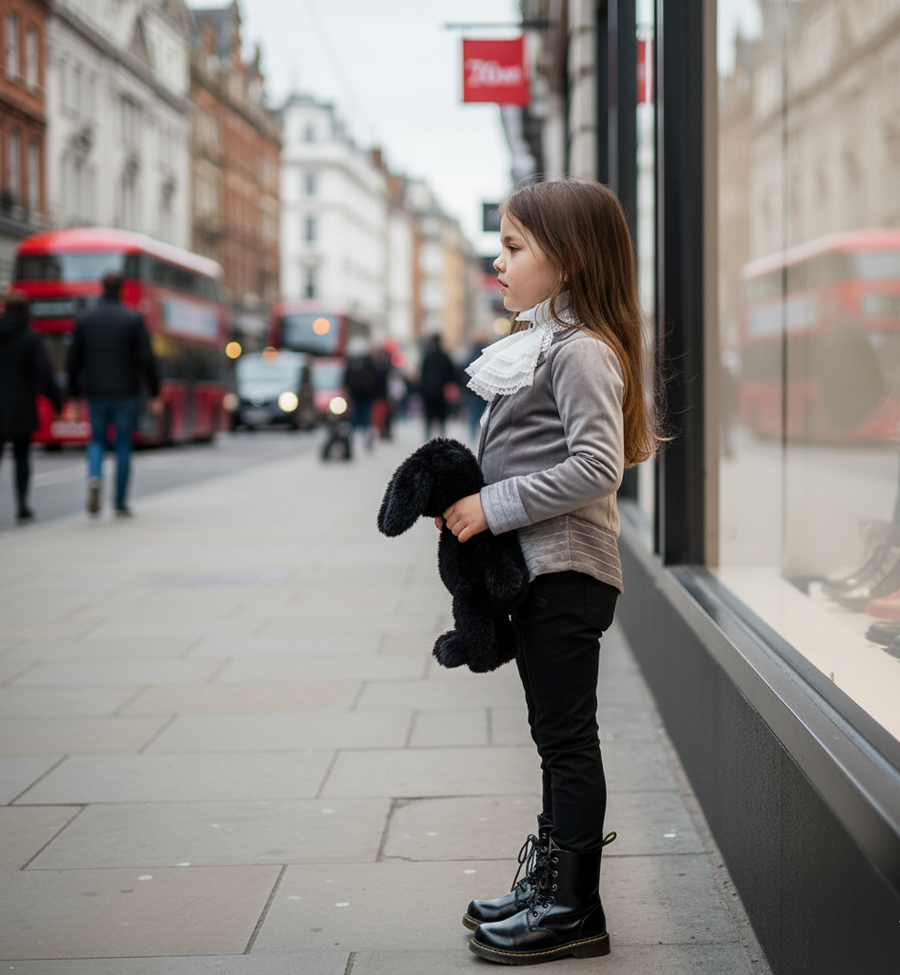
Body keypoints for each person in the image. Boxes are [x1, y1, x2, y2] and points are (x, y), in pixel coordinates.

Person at [439, 178, 660, 965]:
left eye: (514, 247)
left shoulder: (582, 350)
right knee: (552, 734)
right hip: (544, 568)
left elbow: (598, 467)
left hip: (569, 570)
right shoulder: (546, 343)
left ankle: (574, 908)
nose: (497, 262)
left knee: (567, 737)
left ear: (566, 261)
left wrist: (491, 506)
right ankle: (551, 884)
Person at [67, 271, 161, 517]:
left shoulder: (85, 320)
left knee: (96, 440)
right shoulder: (132, 319)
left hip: (95, 390)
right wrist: (154, 393)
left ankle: (95, 477)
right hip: (126, 392)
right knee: (123, 444)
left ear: (101, 288)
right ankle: (120, 501)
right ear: (121, 289)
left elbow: (73, 361)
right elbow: (146, 359)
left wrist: (74, 394)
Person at [0, 290, 62, 521]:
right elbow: (44, 375)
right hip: (20, 405)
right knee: (22, 456)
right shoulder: (30, 338)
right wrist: (57, 402)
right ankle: (22, 505)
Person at [342, 339, 379, 451]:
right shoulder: (367, 363)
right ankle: (359, 441)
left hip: (362, 396)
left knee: (362, 419)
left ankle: (362, 441)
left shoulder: (365, 364)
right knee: (360, 419)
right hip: (359, 396)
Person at [419, 333, 457, 439]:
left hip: (428, 391)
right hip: (441, 391)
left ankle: (427, 436)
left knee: (428, 416)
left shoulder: (427, 356)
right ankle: (442, 435)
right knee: (441, 416)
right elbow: (452, 374)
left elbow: (422, 373)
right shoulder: (445, 356)